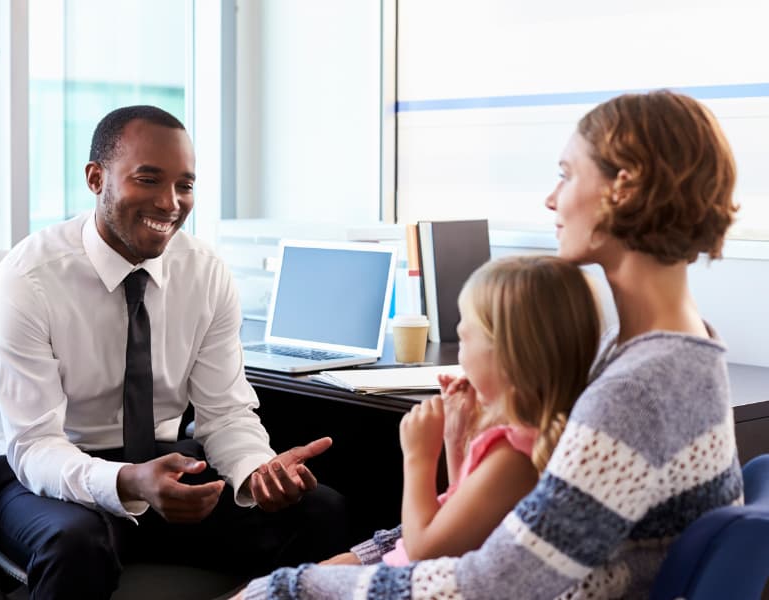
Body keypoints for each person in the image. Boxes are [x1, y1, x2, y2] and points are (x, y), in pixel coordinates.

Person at [234, 89, 745, 599]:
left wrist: (295, 587)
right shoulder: (673, 351)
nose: (551, 198)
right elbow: (510, 527)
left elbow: (493, 581)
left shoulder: (637, 391)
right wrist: (367, 554)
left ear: (624, 188)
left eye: (566, 174)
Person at [0, 105, 349, 599]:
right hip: (36, 474)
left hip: (161, 462)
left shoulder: (205, 272)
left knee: (323, 513)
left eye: (184, 186)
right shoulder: (30, 278)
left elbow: (225, 413)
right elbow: (35, 446)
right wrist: (127, 480)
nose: (170, 203)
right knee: (75, 544)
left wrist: (257, 470)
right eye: (148, 180)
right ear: (95, 178)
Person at [362, 256, 601, 568]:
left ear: (506, 352)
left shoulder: (514, 456)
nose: (459, 352)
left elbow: (426, 551)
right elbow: (461, 515)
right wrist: (454, 436)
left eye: (463, 337)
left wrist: (418, 457)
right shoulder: (526, 439)